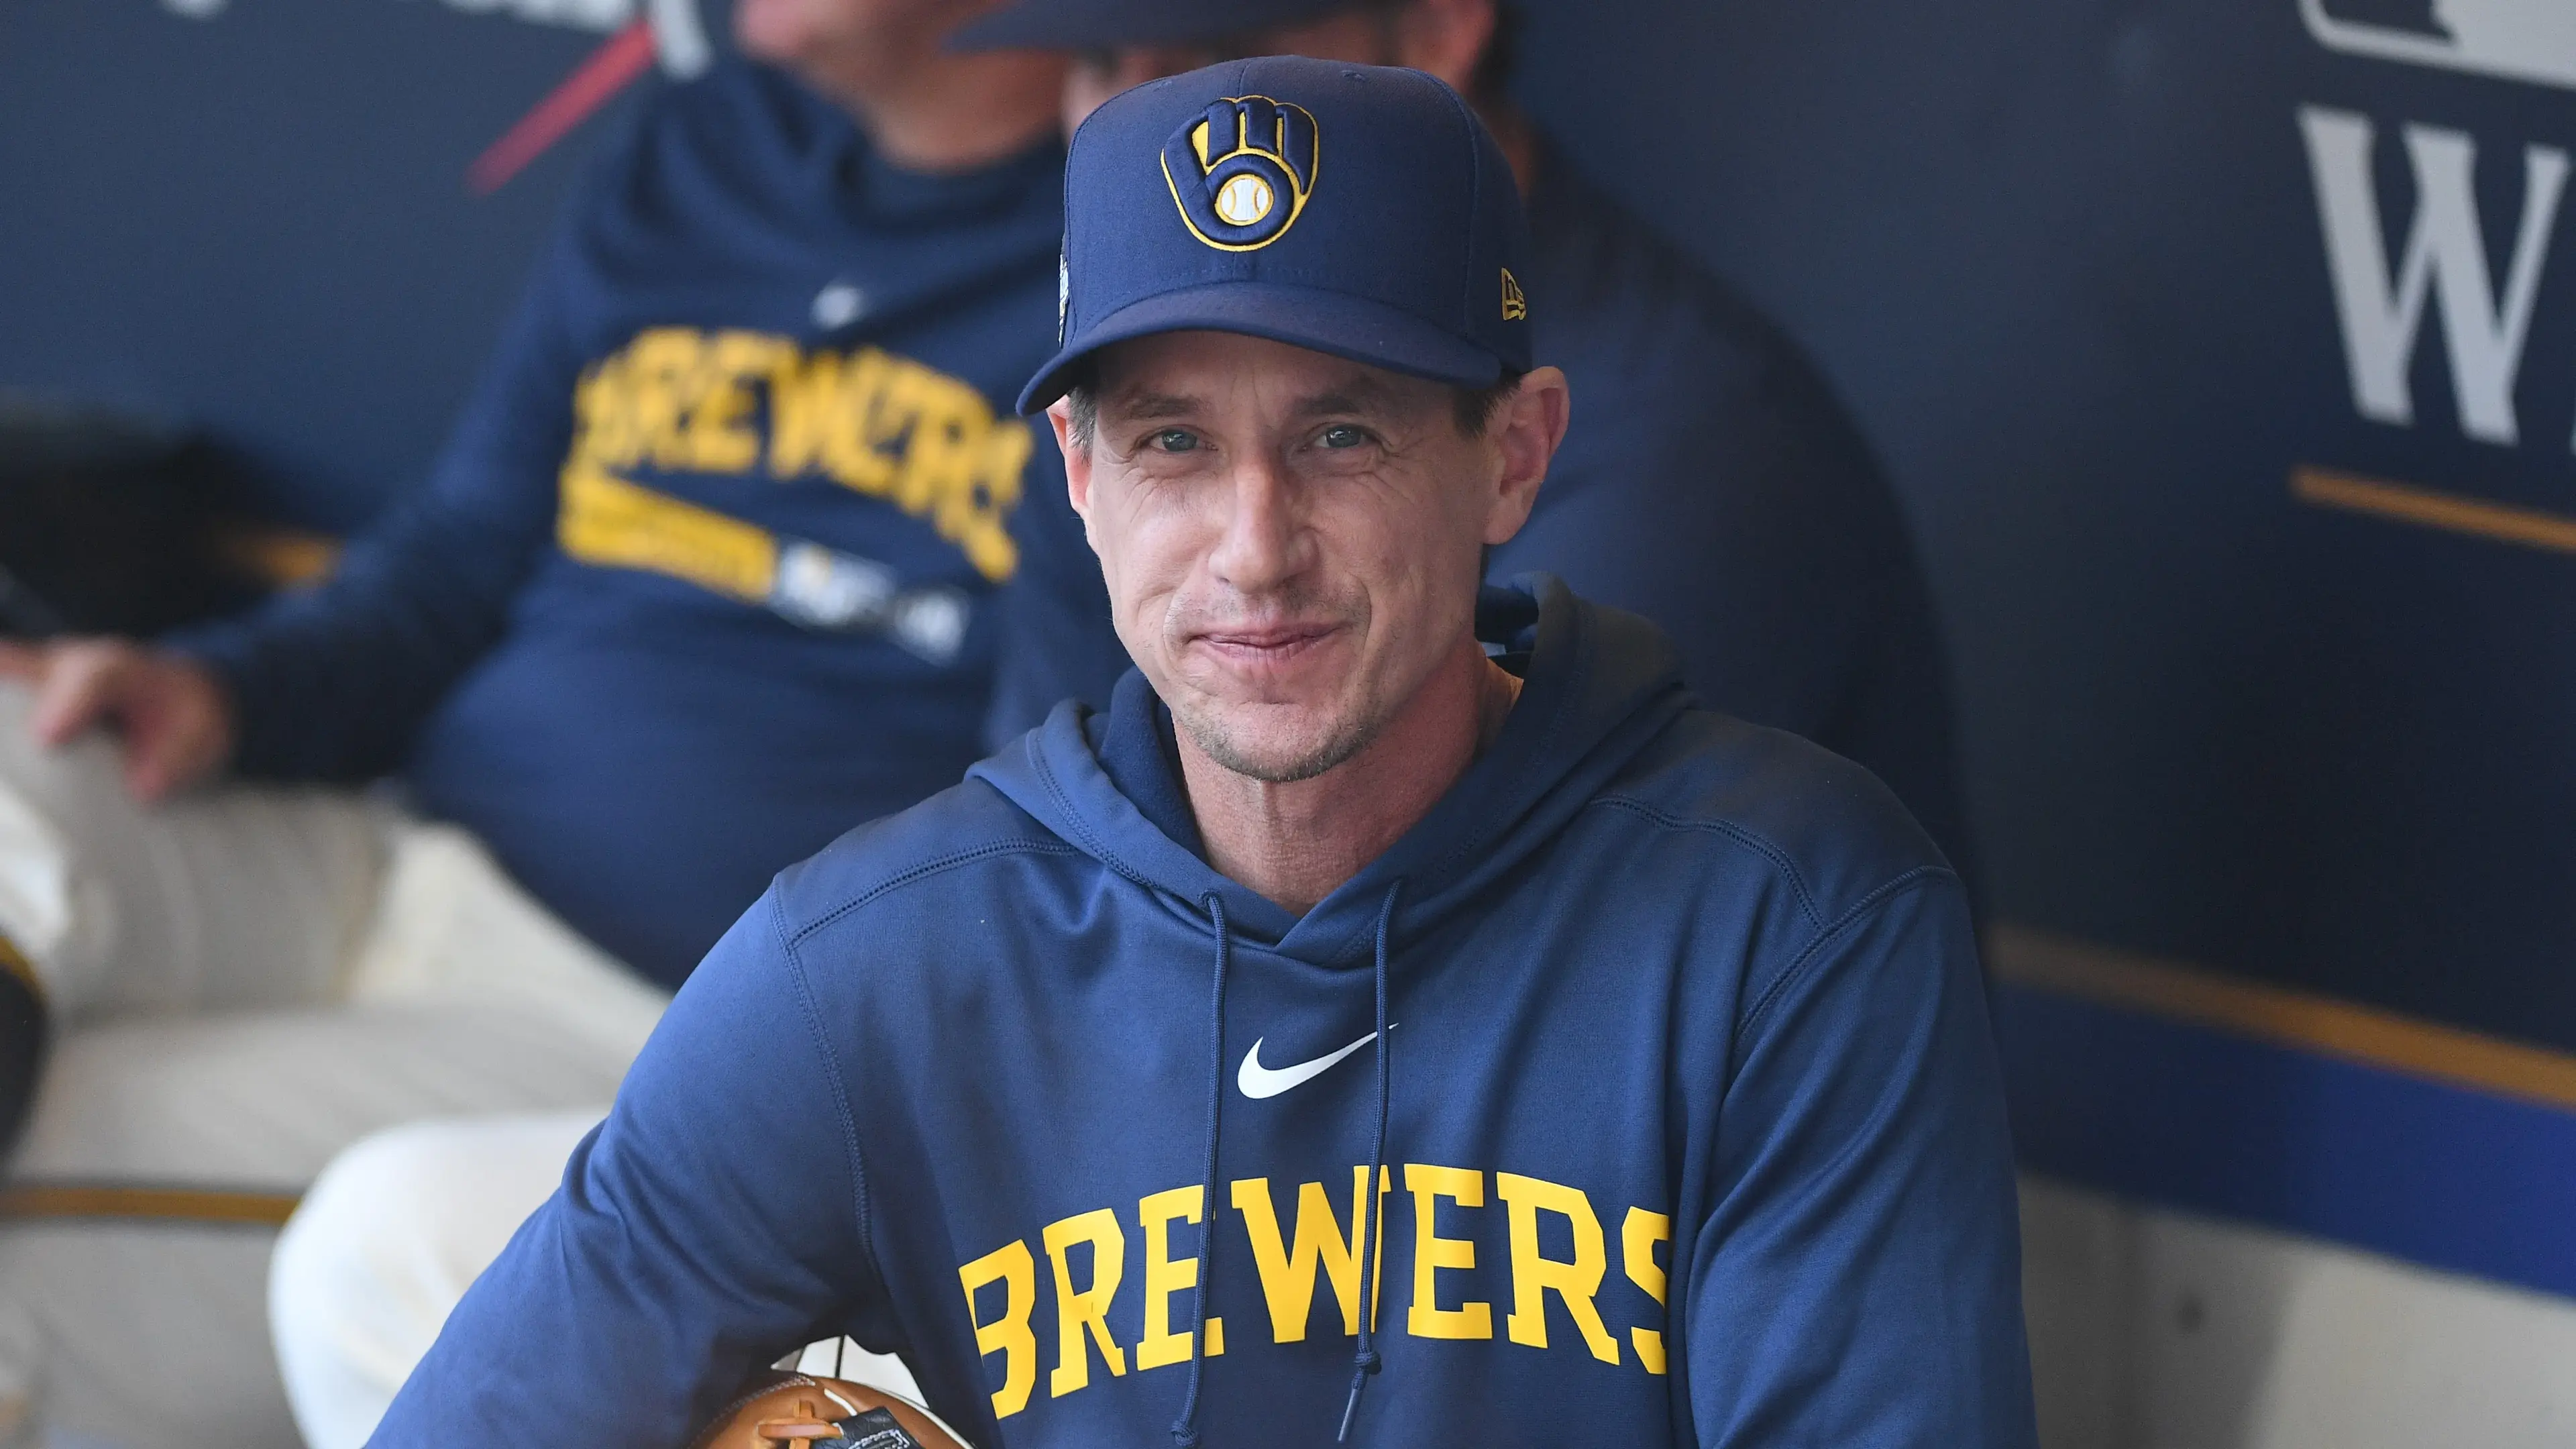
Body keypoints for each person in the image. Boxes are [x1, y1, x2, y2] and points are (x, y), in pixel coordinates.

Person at [372, 57, 2035, 1448]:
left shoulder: (1789, 924)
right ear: (1079, 480)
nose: (1255, 546)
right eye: (1175, 443)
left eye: (1343, 434)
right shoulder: (875, 958)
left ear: (1512, 458)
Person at [0, 3, 1068, 1445]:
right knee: (19, 747)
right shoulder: (700, 147)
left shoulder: (1120, 250)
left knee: (64, 1164)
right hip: (387, 847)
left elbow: (1049, 824)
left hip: (637, 1009)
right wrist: (227, 689)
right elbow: (456, 556)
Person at [963, 0, 1981, 889]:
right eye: (1099, 63)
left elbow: (1487, 976)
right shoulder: (1113, 388)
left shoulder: (1687, 453)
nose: (1154, 120)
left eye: (1217, 48)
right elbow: (1049, 888)